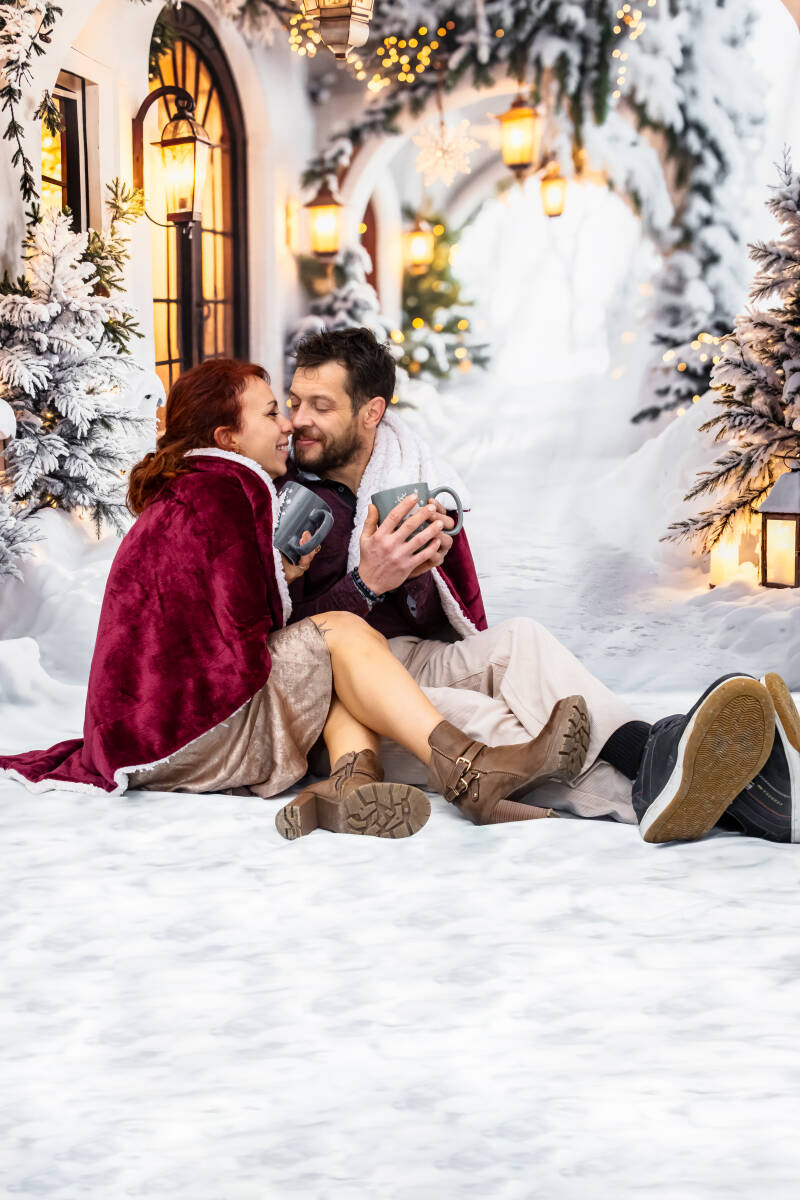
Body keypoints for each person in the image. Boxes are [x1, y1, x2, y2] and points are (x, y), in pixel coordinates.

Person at [0, 358, 611, 841]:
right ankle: (475, 772)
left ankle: (352, 787)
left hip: (152, 732)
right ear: (227, 436)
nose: (288, 424)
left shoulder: (200, 490)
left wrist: (296, 580)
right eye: (274, 411)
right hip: (189, 731)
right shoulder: (231, 490)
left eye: (306, 407)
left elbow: (232, 626)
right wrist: (333, 582)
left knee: (334, 655)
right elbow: (251, 645)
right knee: (338, 638)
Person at [279, 327, 800, 844]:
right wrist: (366, 581)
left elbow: (430, 612)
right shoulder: (284, 498)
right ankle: (740, 800)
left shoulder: (400, 471)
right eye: (295, 401)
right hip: (340, 704)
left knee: (521, 639)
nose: (298, 421)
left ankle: (655, 752)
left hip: (402, 657)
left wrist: (417, 575)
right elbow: (283, 646)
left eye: (320, 406)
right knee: (495, 725)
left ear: (371, 413)